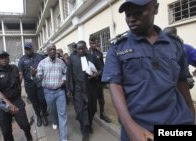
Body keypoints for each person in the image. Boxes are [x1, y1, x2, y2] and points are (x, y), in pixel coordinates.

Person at [101, 0, 195, 141]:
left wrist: (191, 113)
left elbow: (181, 81)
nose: (132, 19)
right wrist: (131, 127)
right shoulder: (117, 49)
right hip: (139, 128)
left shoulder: (174, 45)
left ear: (155, 8)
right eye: (128, 14)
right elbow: (115, 86)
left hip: (176, 123)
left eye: (138, 13)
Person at [0, 51, 33, 141]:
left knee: (25, 125)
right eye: (1, 58)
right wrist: (9, 105)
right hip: (2, 104)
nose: (4, 59)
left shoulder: (14, 68)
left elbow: (18, 82)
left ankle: (29, 136)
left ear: (9, 58)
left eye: (5, 57)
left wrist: (19, 96)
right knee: (6, 132)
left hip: (16, 101)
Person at [67, 41, 103, 141]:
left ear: (86, 48)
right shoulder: (72, 59)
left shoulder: (92, 57)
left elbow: (101, 69)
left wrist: (97, 74)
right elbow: (69, 75)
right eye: (79, 49)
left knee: (91, 109)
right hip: (78, 89)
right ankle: (85, 132)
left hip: (90, 88)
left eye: (83, 48)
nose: (81, 50)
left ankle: (88, 125)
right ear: (76, 49)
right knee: (80, 111)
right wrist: (69, 90)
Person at [32, 43, 68, 141]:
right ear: (47, 51)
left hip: (60, 91)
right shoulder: (42, 63)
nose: (52, 51)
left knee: (63, 114)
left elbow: (65, 72)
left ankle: (64, 138)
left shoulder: (61, 62)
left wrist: (64, 79)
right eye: (50, 49)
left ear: (56, 50)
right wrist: (34, 75)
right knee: (52, 111)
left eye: (54, 49)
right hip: (48, 92)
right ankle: (54, 121)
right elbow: (38, 77)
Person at [18, 42, 48, 127]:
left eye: (29, 48)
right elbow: (21, 74)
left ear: (32, 48)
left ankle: (44, 114)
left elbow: (46, 69)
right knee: (34, 102)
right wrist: (18, 87)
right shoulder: (22, 60)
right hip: (29, 85)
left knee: (42, 100)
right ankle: (38, 116)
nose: (28, 50)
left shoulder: (39, 56)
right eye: (26, 49)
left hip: (40, 83)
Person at [88, 35, 111, 123]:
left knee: (101, 98)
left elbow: (102, 67)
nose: (93, 45)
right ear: (89, 43)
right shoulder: (86, 53)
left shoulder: (99, 53)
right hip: (89, 81)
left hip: (97, 80)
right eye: (91, 43)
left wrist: (99, 73)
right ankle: (91, 115)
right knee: (91, 100)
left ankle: (102, 113)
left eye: (94, 43)